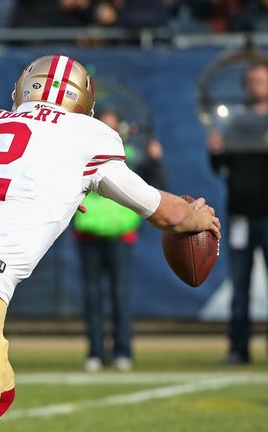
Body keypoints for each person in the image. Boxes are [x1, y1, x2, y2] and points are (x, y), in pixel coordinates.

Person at [0, 54, 220, 431]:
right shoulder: (87, 134)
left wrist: (54, 189)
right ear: (83, 104)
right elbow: (163, 212)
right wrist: (196, 215)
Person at [74, 107, 166, 372]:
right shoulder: (82, 157)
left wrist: (155, 160)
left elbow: (157, 187)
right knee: (93, 296)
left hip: (121, 233)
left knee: (120, 295)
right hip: (88, 231)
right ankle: (95, 353)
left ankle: (123, 351)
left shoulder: (130, 157)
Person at [208, 62, 268, 365]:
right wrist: (216, 152)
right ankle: (238, 349)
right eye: (252, 80)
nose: (256, 84)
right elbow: (221, 168)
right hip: (240, 214)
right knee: (240, 286)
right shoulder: (235, 121)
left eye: (261, 79)